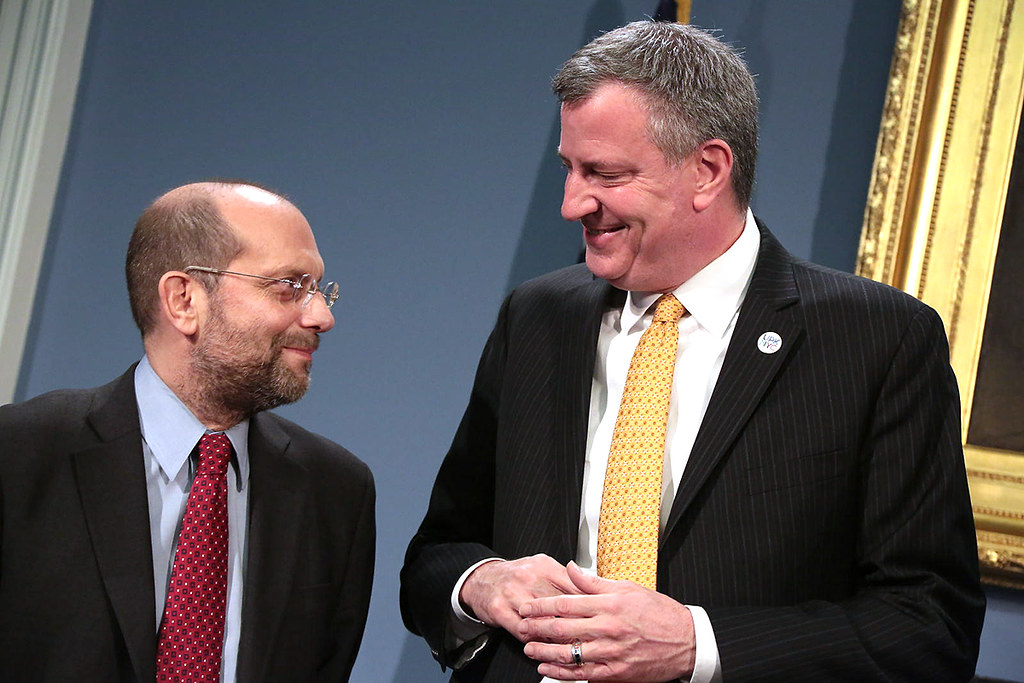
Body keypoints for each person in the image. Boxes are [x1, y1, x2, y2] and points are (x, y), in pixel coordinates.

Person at [401, 21, 984, 683]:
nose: (571, 203)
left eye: (604, 173)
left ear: (708, 170)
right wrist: (481, 580)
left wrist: (696, 643)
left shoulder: (879, 340)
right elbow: (434, 555)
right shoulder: (538, 317)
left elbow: (929, 624)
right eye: (569, 167)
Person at [0, 181, 375, 681]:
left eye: (319, 289)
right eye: (288, 287)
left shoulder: (336, 493)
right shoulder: (18, 456)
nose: (321, 316)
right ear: (183, 300)